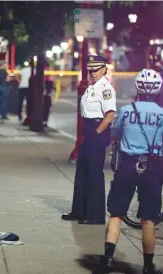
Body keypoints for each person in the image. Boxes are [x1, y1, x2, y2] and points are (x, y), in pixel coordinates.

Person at [96, 69, 163, 274]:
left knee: (116, 215)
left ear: (138, 88)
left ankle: (107, 260)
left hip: (127, 166)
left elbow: (115, 135)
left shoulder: (126, 111)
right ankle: (148, 266)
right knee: (149, 219)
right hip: (152, 168)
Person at [62, 55, 116, 225]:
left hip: (96, 131)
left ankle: (95, 215)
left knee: (94, 174)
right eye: (90, 70)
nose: (92, 73)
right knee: (82, 173)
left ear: (104, 70)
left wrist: (97, 132)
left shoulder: (105, 89)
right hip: (88, 131)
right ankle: (79, 211)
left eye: (96, 70)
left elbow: (110, 116)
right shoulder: (91, 87)